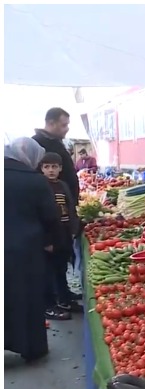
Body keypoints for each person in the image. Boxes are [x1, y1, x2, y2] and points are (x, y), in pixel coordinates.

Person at [5, 137, 61, 362]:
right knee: (28, 295)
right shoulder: (35, 181)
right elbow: (51, 216)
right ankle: (31, 346)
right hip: (26, 249)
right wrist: (52, 241)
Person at [39, 152, 81, 320]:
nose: (51, 170)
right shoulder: (41, 186)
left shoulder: (63, 186)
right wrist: (46, 240)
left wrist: (73, 229)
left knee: (62, 268)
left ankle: (65, 299)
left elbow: (71, 208)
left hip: (64, 232)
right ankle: (52, 302)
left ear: (60, 168)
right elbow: (42, 215)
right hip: (51, 235)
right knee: (51, 270)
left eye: (54, 167)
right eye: (47, 167)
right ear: (41, 168)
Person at [33, 107, 80, 199]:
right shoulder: (36, 144)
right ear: (51, 123)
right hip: (52, 202)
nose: (67, 129)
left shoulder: (57, 143)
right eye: (64, 125)